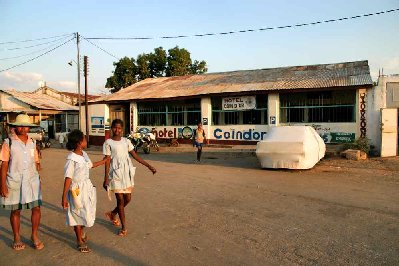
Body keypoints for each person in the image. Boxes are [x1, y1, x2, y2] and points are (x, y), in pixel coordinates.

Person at [103, 119, 156, 237]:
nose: (117, 130)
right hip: (115, 174)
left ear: (122, 129)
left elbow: (135, 156)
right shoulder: (108, 143)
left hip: (126, 174)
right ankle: (124, 227)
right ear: (112, 128)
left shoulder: (126, 141)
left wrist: (149, 166)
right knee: (120, 200)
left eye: (119, 128)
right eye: (115, 128)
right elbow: (107, 161)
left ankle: (113, 213)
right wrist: (106, 178)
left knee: (128, 199)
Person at [0, 114, 43, 251]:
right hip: (15, 181)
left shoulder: (33, 142)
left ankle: (34, 235)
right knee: (16, 210)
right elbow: (4, 165)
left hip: (32, 181)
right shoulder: (9, 143)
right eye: (19, 125)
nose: (22, 128)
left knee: (36, 208)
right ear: (15, 127)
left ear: (29, 128)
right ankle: (17, 237)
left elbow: (36, 161)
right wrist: (2, 185)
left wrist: (37, 171)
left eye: (25, 126)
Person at [61, 129, 109, 253]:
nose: (86, 140)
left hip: (87, 188)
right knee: (76, 213)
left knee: (86, 212)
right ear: (78, 143)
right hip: (76, 190)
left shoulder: (84, 154)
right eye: (84, 139)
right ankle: (79, 240)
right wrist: (64, 197)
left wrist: (104, 161)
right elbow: (68, 178)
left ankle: (81, 231)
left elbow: (90, 165)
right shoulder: (72, 159)